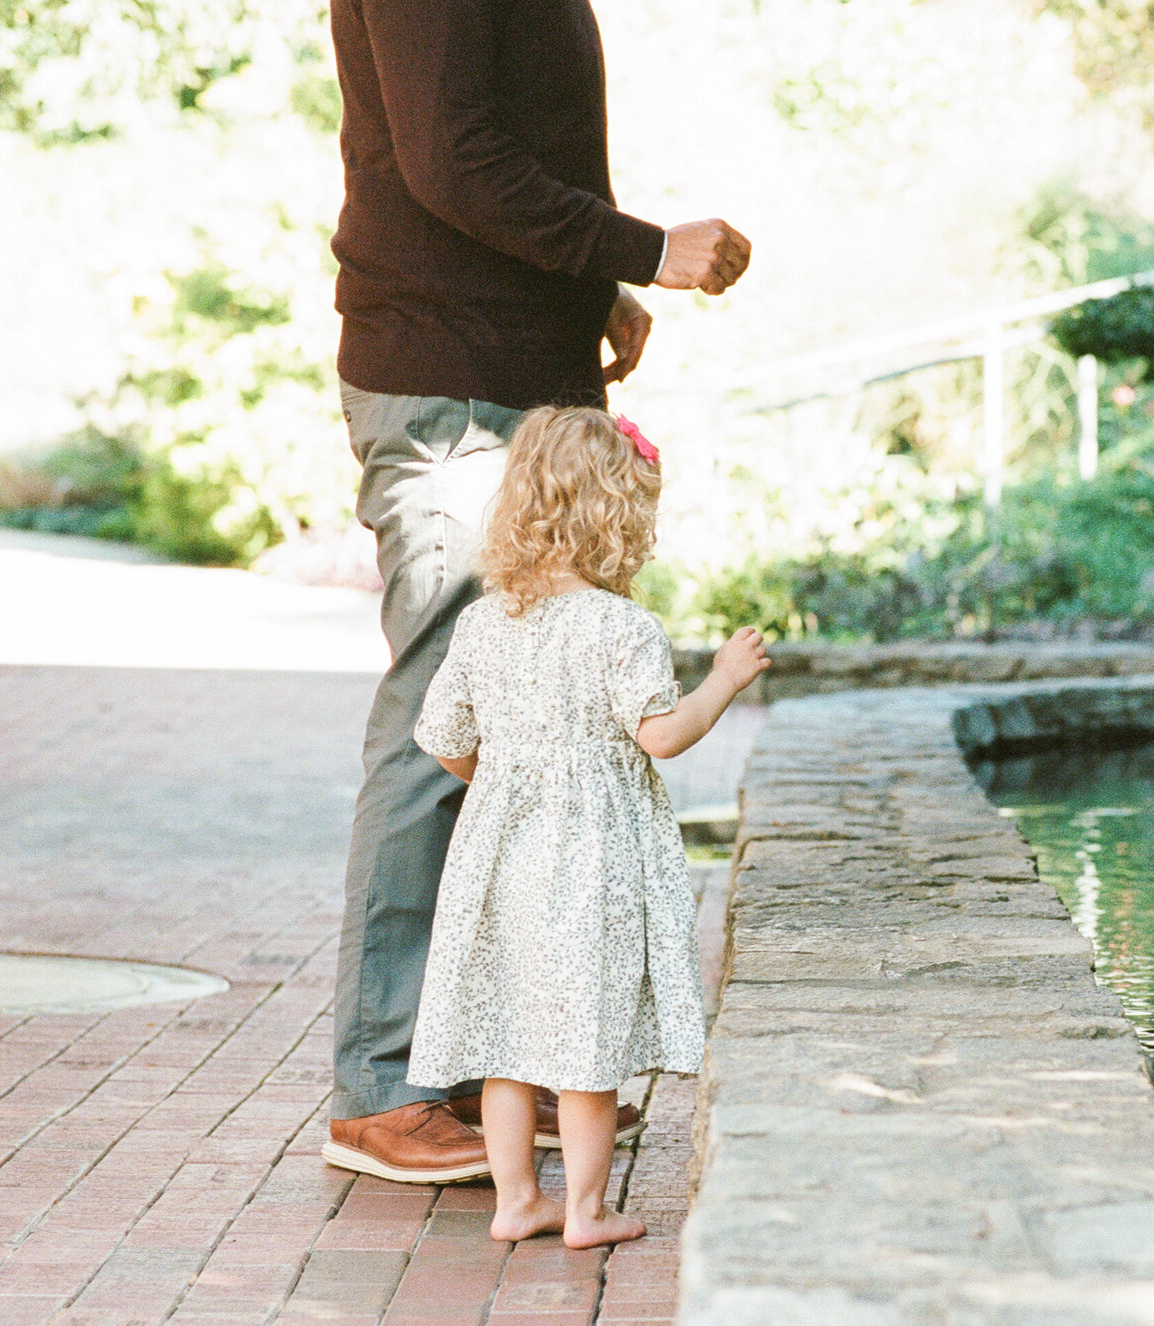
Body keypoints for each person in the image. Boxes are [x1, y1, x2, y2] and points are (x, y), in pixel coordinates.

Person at [323, 0, 752, 1181]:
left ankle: (463, 1075)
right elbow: (448, 160)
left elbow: (501, 147)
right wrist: (641, 247)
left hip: (510, 369)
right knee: (443, 727)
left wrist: (586, 292)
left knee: (513, 731)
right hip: (454, 391)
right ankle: (379, 1086)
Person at [403, 406, 768, 1246]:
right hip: (591, 862)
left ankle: (515, 1201)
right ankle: (586, 1210)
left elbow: (444, 740)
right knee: (587, 1044)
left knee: (507, 1039)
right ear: (619, 516)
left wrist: (504, 782)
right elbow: (664, 735)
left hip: (500, 858)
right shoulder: (620, 627)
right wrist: (724, 679)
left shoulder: (484, 620)